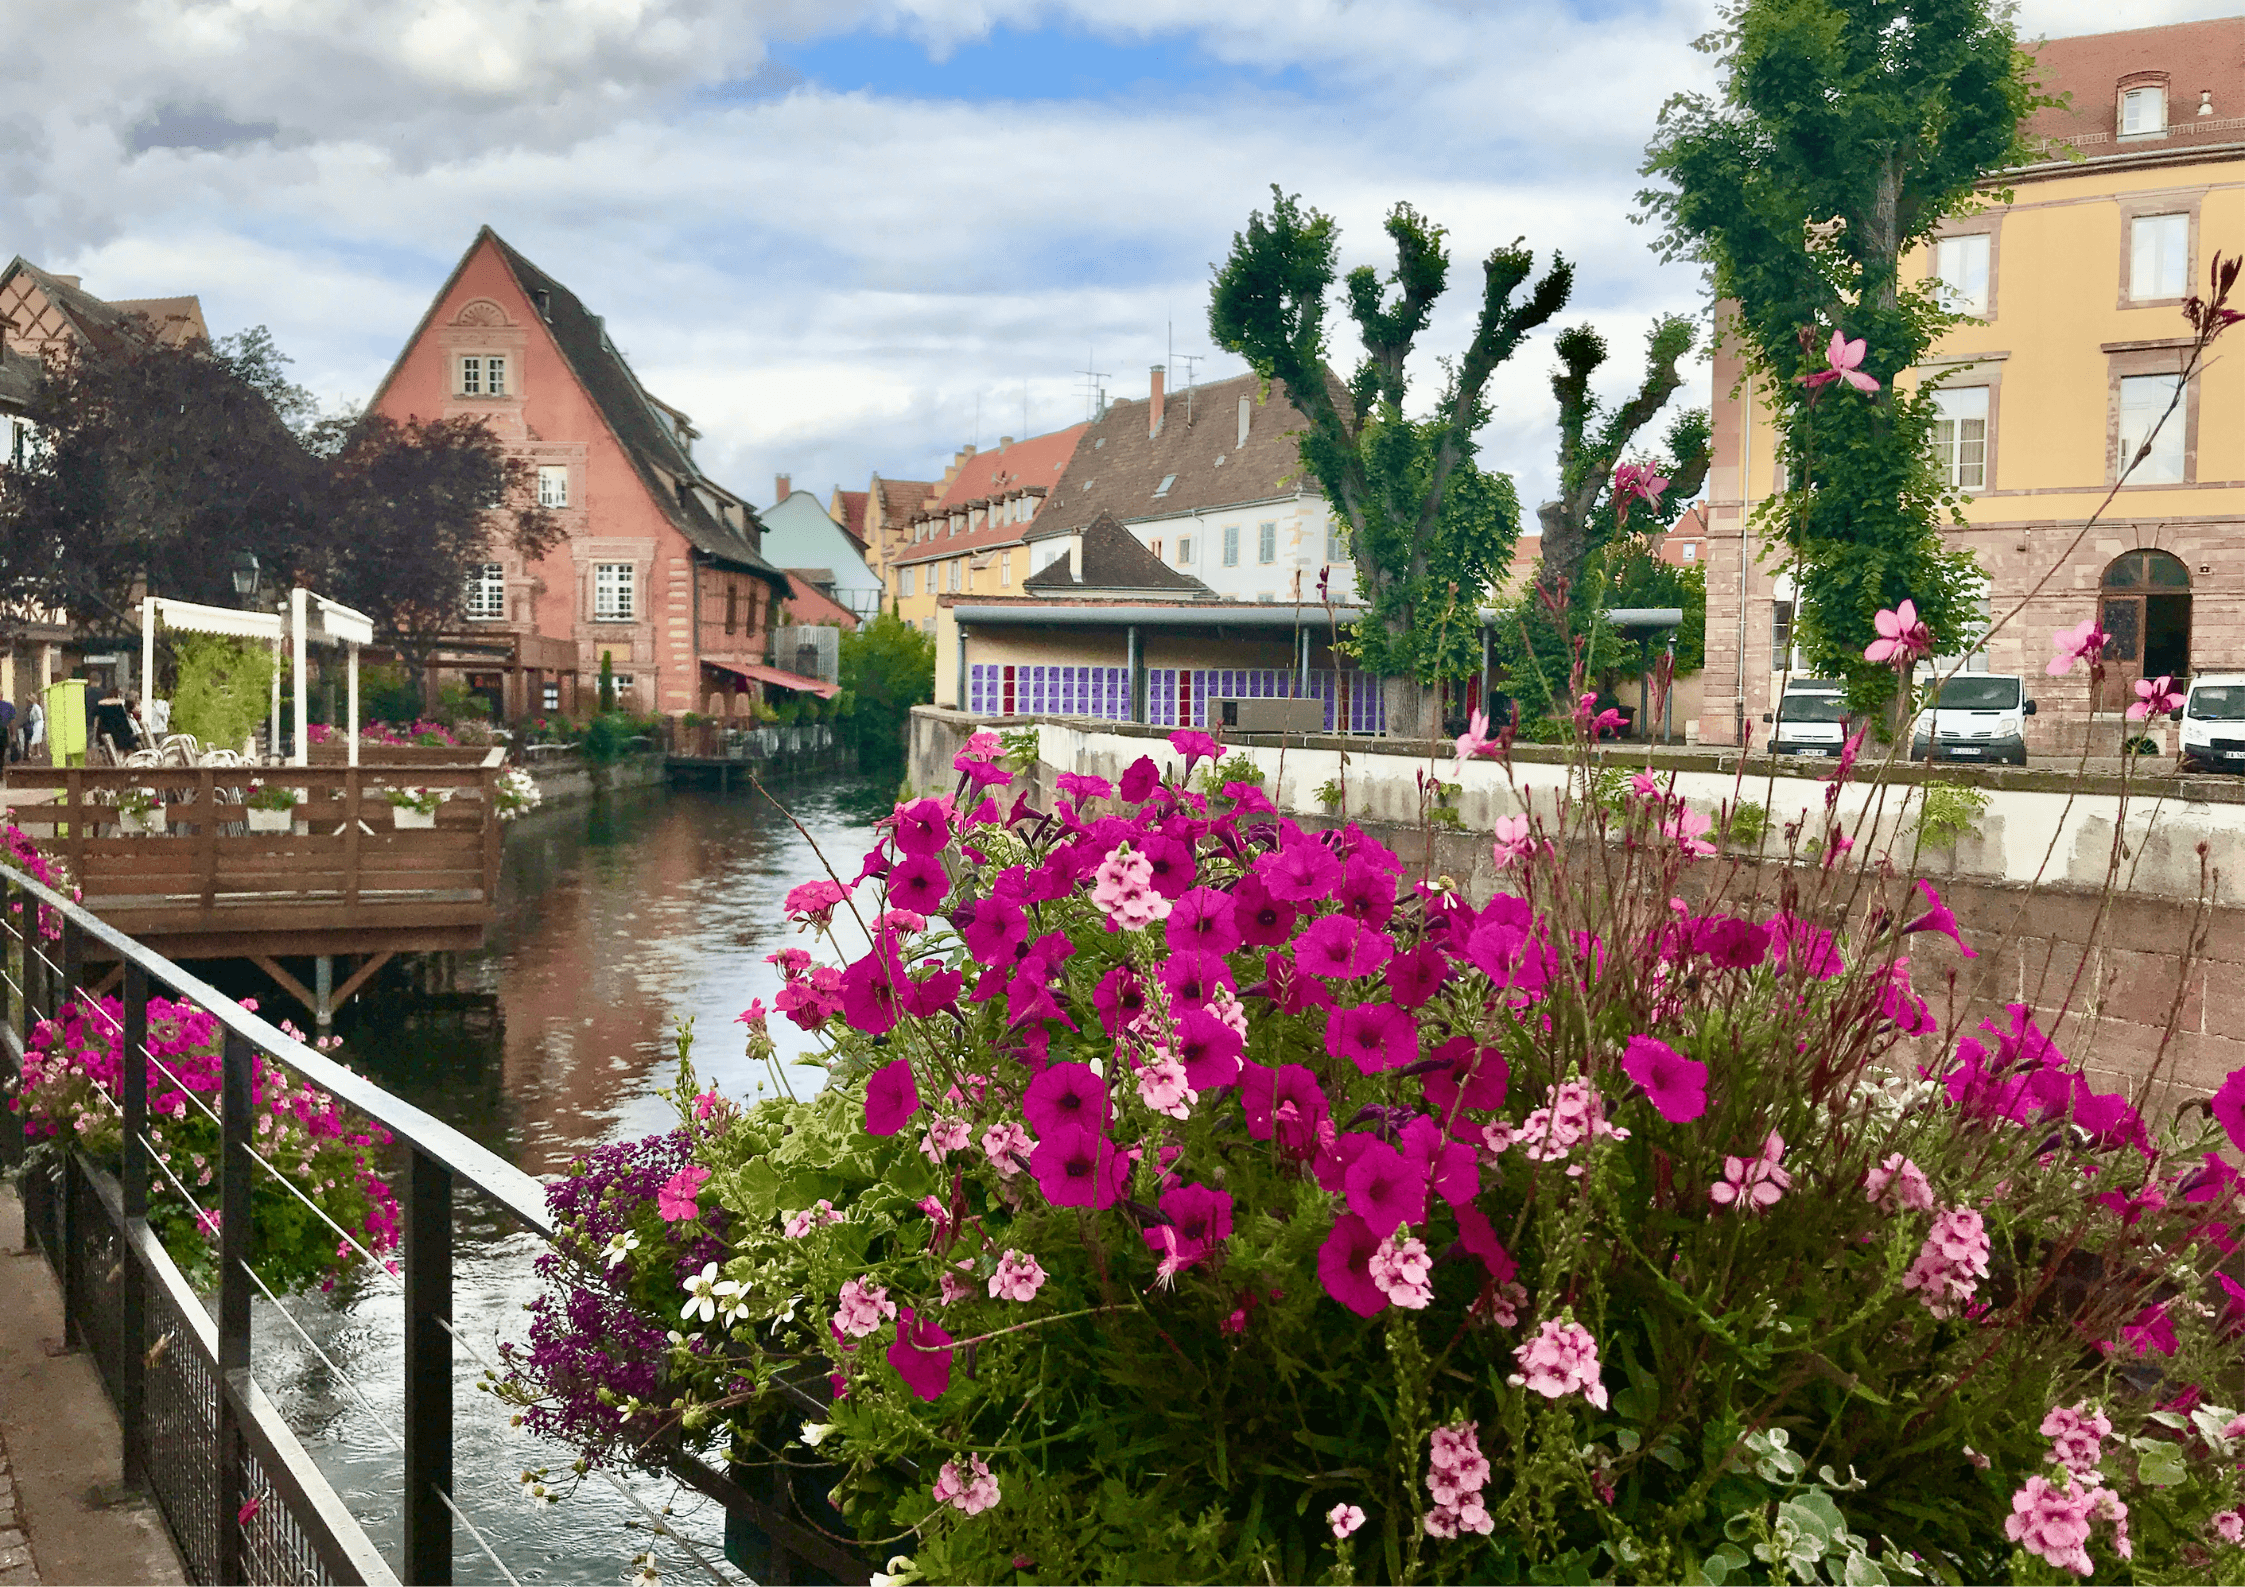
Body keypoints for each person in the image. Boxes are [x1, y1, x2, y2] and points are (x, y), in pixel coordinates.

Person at [94, 684, 140, 758]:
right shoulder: (119, 706)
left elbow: (97, 721)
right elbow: (124, 726)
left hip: (104, 738)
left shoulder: (101, 706)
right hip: (119, 740)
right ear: (118, 695)